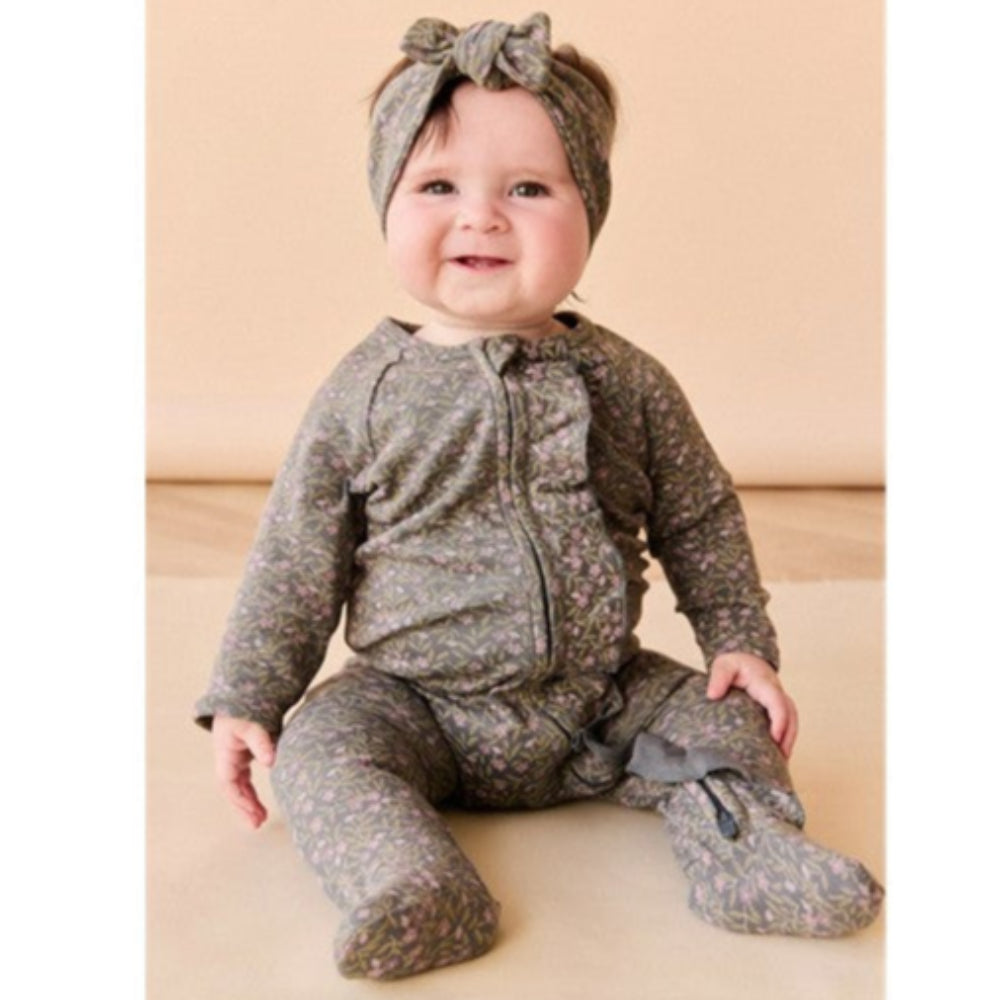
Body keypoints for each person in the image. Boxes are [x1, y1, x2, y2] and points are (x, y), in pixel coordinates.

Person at [195, 12, 883, 981]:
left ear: (589, 210)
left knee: (727, 720)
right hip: (416, 705)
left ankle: (746, 854)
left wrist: (738, 640)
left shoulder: (627, 381)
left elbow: (697, 514)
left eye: (527, 188)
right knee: (321, 751)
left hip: (598, 697)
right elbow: (294, 557)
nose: (481, 217)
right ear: (386, 205)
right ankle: (414, 884)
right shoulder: (365, 392)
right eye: (438, 186)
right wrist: (249, 696)